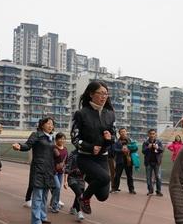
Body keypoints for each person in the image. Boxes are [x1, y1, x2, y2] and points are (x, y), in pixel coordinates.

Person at [70, 81, 116, 214]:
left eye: (106, 94)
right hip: (85, 157)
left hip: (102, 158)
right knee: (105, 178)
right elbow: (74, 138)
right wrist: (90, 147)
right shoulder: (81, 113)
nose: (104, 96)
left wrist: (110, 139)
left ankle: (88, 178)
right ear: (91, 94)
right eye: (100, 93)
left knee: (103, 196)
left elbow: (115, 136)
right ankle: (84, 198)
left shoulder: (110, 114)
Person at [13, 117, 55, 224]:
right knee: (38, 195)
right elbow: (27, 145)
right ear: (42, 125)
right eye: (48, 123)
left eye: (52, 124)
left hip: (49, 169)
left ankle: (42, 216)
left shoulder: (51, 138)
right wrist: (19, 146)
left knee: (45, 195)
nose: (51, 126)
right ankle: (36, 220)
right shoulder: (36, 135)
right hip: (38, 168)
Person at [112, 128, 138, 194]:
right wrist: (122, 150)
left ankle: (131, 189)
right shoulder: (117, 141)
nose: (123, 133)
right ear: (119, 133)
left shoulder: (130, 140)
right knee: (117, 175)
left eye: (124, 131)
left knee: (129, 176)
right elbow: (114, 149)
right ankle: (115, 188)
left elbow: (135, 149)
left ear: (126, 132)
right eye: (121, 132)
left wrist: (130, 149)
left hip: (128, 160)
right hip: (120, 161)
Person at [64, 150, 86, 222]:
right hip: (72, 178)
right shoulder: (73, 154)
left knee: (79, 194)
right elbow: (67, 167)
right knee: (79, 193)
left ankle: (73, 208)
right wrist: (65, 181)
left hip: (81, 178)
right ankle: (79, 212)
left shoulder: (87, 154)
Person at [142, 129, 164, 196]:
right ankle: (150, 190)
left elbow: (162, 150)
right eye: (151, 133)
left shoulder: (159, 142)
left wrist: (157, 148)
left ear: (155, 134)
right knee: (148, 177)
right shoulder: (146, 142)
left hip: (157, 162)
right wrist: (148, 148)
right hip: (148, 162)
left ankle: (158, 190)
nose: (152, 135)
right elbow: (143, 151)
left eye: (153, 133)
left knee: (158, 177)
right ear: (148, 134)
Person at [50, 132, 68, 213]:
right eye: (60, 138)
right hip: (53, 172)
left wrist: (65, 180)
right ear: (56, 139)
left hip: (61, 172)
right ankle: (54, 206)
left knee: (57, 189)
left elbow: (66, 163)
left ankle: (53, 203)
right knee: (56, 187)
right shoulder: (53, 148)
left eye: (63, 139)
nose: (62, 140)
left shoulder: (65, 149)